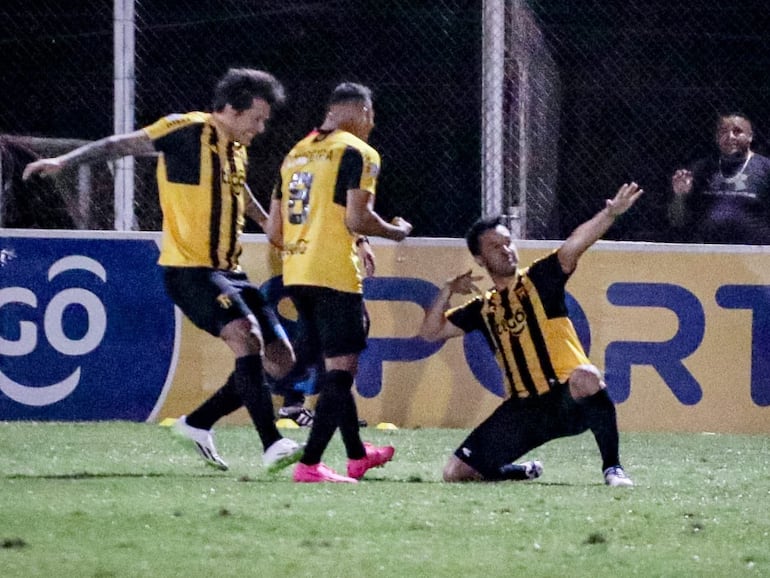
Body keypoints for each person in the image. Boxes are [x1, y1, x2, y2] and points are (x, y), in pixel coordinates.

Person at [23, 67, 303, 473]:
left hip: (230, 270)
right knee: (247, 338)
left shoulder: (235, 149)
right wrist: (65, 160)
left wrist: (264, 224)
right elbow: (122, 144)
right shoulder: (187, 129)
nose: (260, 128)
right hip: (190, 270)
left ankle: (198, 422)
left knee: (281, 359)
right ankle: (271, 444)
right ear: (229, 108)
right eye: (256, 118)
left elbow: (237, 190)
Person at [419, 183, 643, 486]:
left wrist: (610, 213)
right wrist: (447, 289)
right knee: (455, 474)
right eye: (495, 247)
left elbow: (575, 244)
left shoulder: (540, 278)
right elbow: (430, 332)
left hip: (566, 400)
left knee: (587, 376)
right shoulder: (482, 309)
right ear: (479, 259)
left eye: (508, 243)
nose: (507, 250)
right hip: (523, 410)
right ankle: (519, 471)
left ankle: (613, 468)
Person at [266, 82, 412, 483]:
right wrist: (395, 232)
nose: (373, 125)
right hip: (334, 273)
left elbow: (275, 231)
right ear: (362, 111)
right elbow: (356, 218)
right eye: (372, 117)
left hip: (296, 272)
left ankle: (356, 455)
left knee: (332, 367)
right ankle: (310, 465)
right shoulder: (359, 152)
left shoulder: (295, 153)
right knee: (341, 373)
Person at [668, 112, 770, 244]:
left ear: (750, 136)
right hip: (709, 252)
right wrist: (680, 196)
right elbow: (677, 221)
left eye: (737, 131)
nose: (730, 137)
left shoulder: (765, 168)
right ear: (717, 137)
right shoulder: (702, 169)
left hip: (753, 253)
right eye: (723, 132)